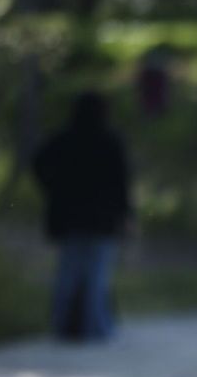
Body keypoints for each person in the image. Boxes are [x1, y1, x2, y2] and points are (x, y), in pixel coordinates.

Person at [32, 91, 133, 342]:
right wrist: (125, 215)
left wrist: (53, 187)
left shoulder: (63, 139)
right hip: (101, 219)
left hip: (69, 218)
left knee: (68, 274)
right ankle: (95, 328)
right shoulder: (109, 141)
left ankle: (60, 326)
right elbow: (122, 183)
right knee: (96, 276)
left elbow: (38, 163)